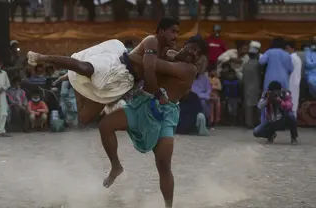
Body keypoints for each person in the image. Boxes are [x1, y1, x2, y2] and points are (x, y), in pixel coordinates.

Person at [97, 38, 204, 208]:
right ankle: (116, 166)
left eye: (198, 53)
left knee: (163, 165)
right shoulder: (169, 54)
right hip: (142, 104)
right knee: (105, 126)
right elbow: (152, 63)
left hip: (165, 114)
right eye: (193, 48)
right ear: (186, 45)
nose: (194, 53)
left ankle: (168, 206)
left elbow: (153, 66)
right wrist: (143, 58)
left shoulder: (190, 69)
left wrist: (131, 56)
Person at [27, 17, 180, 125]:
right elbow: (148, 70)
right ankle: (41, 57)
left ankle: (74, 79)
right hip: (117, 66)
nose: (176, 36)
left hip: (123, 84)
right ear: (161, 31)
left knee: (84, 118)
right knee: (84, 67)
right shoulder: (151, 41)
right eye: (173, 31)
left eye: (177, 32)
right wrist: (158, 94)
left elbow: (177, 62)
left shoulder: (167, 53)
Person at [242, 42, 262, 128]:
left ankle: (248, 123)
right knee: (257, 106)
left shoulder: (245, 65)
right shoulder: (258, 64)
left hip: (247, 87)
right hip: (256, 87)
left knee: (248, 106)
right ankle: (257, 122)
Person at [286, 41, 302, 118]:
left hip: (291, 82)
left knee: (290, 102)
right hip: (296, 82)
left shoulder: (291, 57)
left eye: (288, 48)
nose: (286, 50)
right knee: (294, 102)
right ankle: (293, 121)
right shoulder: (297, 58)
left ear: (292, 48)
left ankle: (290, 122)